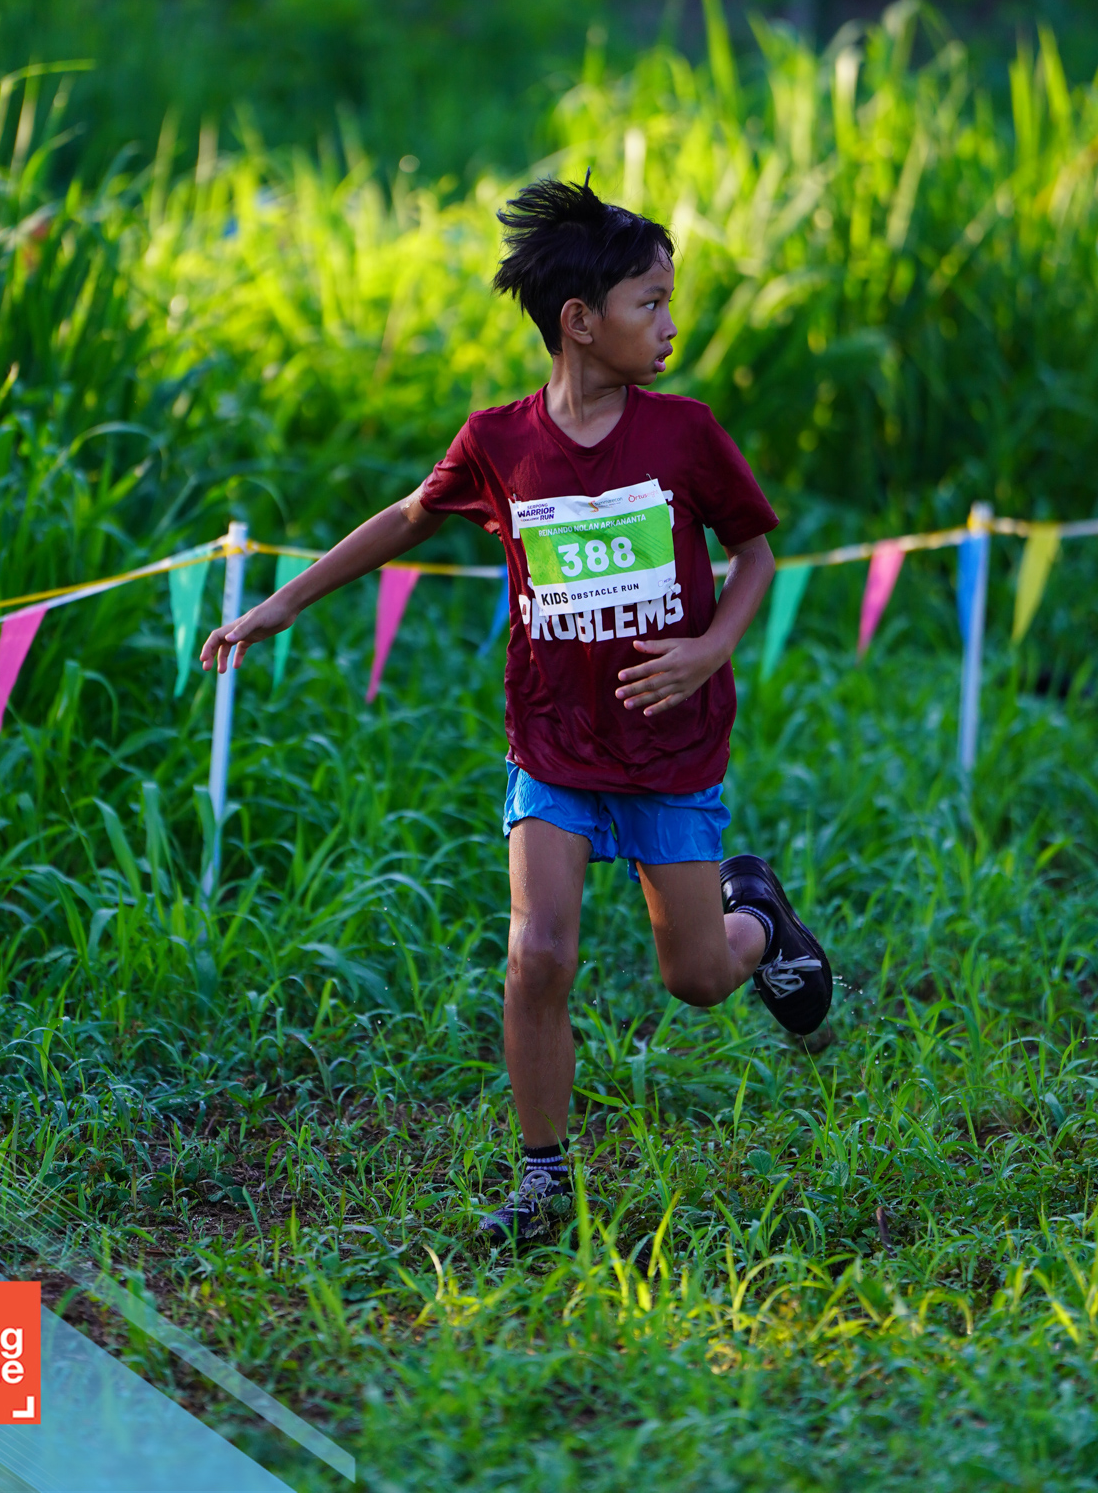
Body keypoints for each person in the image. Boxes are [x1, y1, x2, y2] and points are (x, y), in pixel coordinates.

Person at [200, 175, 832, 1245]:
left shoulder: (684, 435)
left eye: (668, 301)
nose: (669, 325)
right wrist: (282, 603)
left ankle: (757, 920)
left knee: (693, 980)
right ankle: (543, 1181)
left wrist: (709, 648)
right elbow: (410, 514)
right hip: (551, 743)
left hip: (669, 745)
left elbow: (755, 553)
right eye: (650, 303)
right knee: (537, 954)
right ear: (579, 322)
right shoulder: (500, 443)